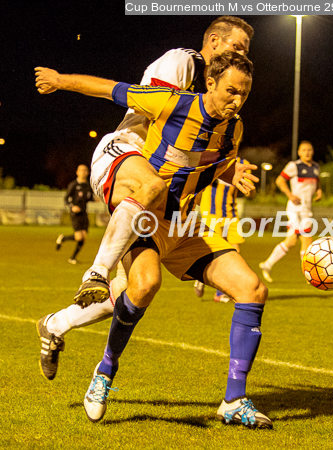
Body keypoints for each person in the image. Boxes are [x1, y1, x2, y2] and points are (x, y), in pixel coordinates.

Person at [35, 52, 272, 429]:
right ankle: (105, 372)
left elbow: (211, 164)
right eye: (231, 91)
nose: (237, 100)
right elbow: (110, 89)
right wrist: (59, 79)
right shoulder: (171, 102)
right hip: (146, 219)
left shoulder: (234, 128)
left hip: (185, 225)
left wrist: (233, 174)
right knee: (145, 285)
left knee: (253, 289)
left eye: (244, 93)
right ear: (210, 83)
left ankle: (234, 400)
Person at [74, 15, 253, 307]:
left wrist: (227, 169)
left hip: (160, 178)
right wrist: (59, 81)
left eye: (246, 50)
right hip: (130, 151)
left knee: (136, 287)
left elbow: (191, 148)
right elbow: (155, 110)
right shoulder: (183, 61)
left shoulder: (215, 92)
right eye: (237, 46)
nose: (242, 54)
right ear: (213, 41)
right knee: (152, 189)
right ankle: (96, 272)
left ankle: (56, 324)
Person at [259, 141, 322, 282]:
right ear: (299, 152)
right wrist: (290, 195)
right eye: (304, 150)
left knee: (292, 241)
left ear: (313, 151)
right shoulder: (294, 166)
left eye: (309, 150)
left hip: (307, 209)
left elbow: (317, 181)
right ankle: (308, 274)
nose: (307, 152)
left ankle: (267, 265)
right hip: (296, 209)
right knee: (307, 239)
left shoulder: (316, 167)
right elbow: (279, 180)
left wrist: (319, 191)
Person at [194, 155, 250, 303]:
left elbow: (248, 190)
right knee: (218, 252)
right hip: (211, 212)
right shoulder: (213, 158)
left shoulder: (243, 164)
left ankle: (217, 288)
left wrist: (249, 188)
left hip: (231, 214)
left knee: (235, 252)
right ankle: (214, 287)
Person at [55, 164, 94, 264]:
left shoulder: (88, 186)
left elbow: (88, 198)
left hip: (84, 213)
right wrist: (72, 206)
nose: (83, 172)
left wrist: (94, 199)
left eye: (85, 170)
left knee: (83, 237)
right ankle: (63, 238)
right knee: (79, 237)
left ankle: (73, 258)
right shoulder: (73, 185)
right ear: (77, 172)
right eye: (81, 170)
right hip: (75, 214)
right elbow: (66, 199)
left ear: (88, 172)